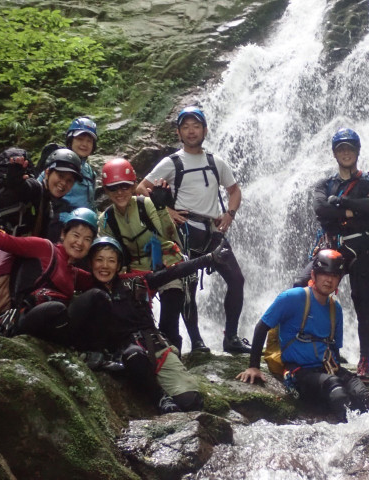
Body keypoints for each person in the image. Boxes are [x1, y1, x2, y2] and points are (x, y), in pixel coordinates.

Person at [136, 105, 250, 354]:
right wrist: (167, 211)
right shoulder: (172, 162)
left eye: (196, 126)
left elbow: (234, 190)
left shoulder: (215, 162)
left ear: (205, 130)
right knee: (188, 287)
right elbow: (141, 188)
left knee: (236, 280)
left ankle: (231, 337)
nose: (191, 131)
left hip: (212, 231)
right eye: (185, 127)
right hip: (184, 231)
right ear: (178, 132)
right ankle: (197, 341)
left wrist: (230, 214)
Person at [75, 236, 230, 413]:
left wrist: (209, 258)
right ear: (90, 263)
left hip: (157, 348)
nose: (105, 266)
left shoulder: (135, 282)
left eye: (111, 261)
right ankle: (160, 397)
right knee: (134, 355)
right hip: (126, 356)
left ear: (118, 265)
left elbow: (174, 272)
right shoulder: (89, 295)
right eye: (99, 260)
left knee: (190, 401)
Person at [237, 249, 369, 423]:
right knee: (335, 389)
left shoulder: (335, 309)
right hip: (299, 372)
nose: (329, 280)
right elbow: (261, 328)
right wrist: (254, 367)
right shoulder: (291, 298)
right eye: (324, 274)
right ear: (313, 275)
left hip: (325, 368)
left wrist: (342, 374)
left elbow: (334, 348)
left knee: (365, 396)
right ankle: (348, 428)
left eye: (334, 276)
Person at [295, 128, 369, 384]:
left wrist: (341, 203)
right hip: (334, 248)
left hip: (364, 249)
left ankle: (364, 363)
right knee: (302, 285)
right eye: (341, 149)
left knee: (363, 303)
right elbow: (321, 209)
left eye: (350, 148)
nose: (346, 153)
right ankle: (307, 348)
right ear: (335, 153)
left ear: (357, 151)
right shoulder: (325, 184)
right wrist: (357, 209)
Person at [98, 158, 209, 354]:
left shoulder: (146, 204)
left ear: (134, 185)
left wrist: (161, 208)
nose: (120, 192)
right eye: (113, 188)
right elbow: (112, 253)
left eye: (125, 186)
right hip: (135, 271)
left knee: (169, 320)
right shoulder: (106, 219)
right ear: (106, 190)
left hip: (166, 263)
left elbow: (168, 234)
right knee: (140, 321)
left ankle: (174, 356)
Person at [0, 208, 97, 342]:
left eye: (87, 239)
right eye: (76, 235)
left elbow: (100, 280)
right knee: (56, 309)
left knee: (96, 296)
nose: (80, 243)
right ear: (63, 234)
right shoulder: (45, 249)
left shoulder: (74, 273)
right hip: (19, 319)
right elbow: (5, 241)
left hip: (47, 324)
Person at [37, 117, 98, 231]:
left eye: (89, 141)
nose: (84, 144)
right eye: (80, 139)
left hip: (83, 227)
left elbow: (91, 203)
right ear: (71, 140)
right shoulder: (57, 162)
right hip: (57, 225)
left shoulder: (90, 172)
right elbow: (38, 190)